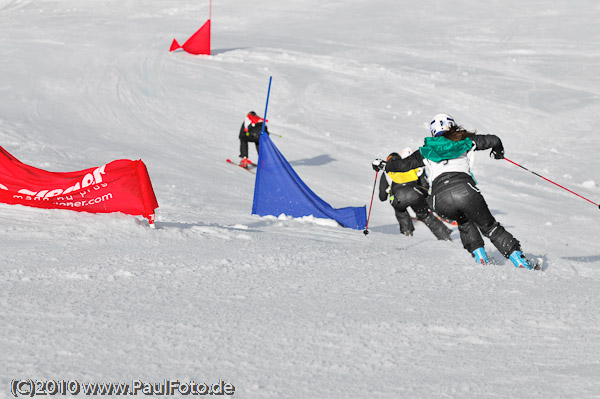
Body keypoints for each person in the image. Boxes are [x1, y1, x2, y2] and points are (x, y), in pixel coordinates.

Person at [372, 113, 536, 269]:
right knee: (490, 227)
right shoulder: (465, 140)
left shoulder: (425, 150)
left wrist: (383, 165)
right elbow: (494, 140)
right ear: (452, 125)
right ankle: (520, 262)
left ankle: (481, 257)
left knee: (464, 222)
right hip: (465, 190)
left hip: (440, 200)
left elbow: (402, 166)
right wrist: (498, 151)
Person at [379, 149, 452, 241]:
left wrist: (385, 195)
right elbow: (423, 183)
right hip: (414, 193)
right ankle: (445, 236)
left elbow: (382, 196)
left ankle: (407, 233)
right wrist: (424, 196)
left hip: (398, 198)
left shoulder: (387, 171)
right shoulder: (406, 166)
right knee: (425, 215)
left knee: (401, 212)